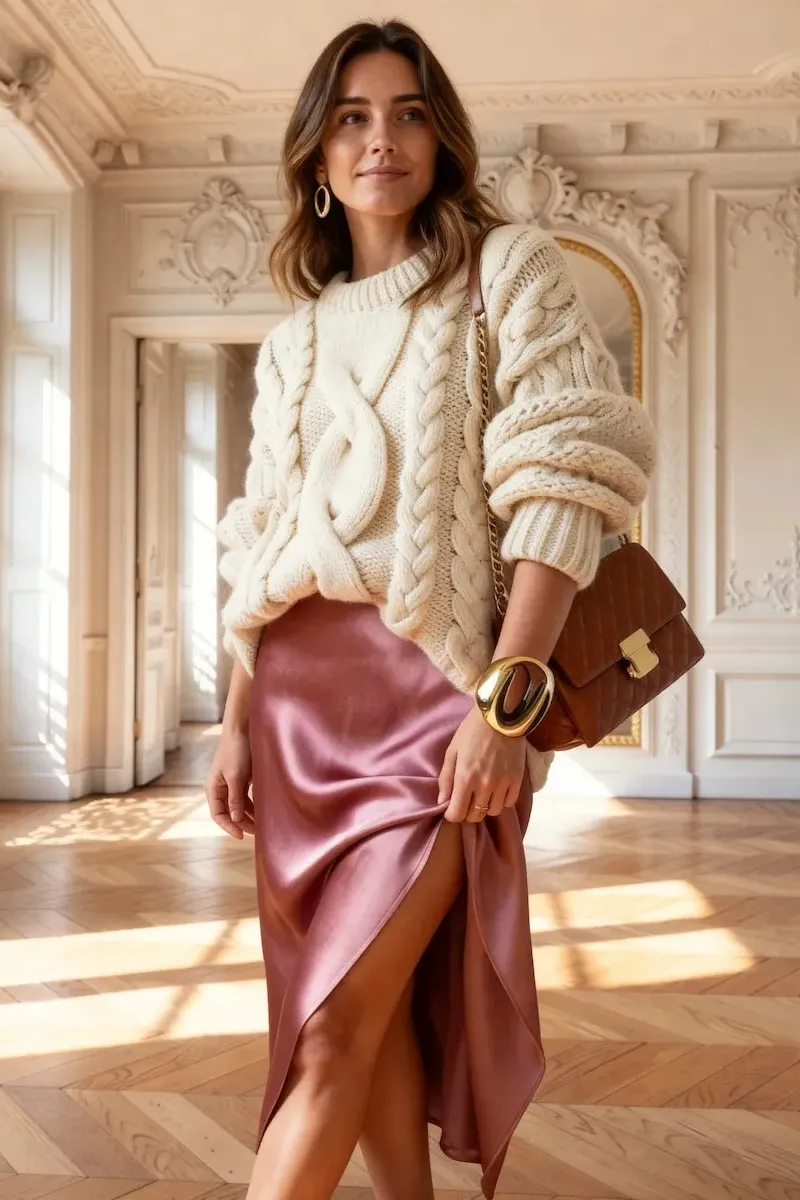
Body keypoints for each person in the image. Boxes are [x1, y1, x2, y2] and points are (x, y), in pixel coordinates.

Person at [205, 18, 656, 1200]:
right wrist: (233, 712)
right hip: (298, 709)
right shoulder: (295, 338)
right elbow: (262, 538)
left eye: (406, 112)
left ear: (440, 138)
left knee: (330, 1037)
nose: (380, 139)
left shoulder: (505, 271)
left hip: (434, 699)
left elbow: (564, 476)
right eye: (350, 117)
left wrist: (503, 706)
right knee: (363, 1018)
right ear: (314, 154)